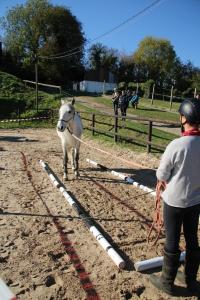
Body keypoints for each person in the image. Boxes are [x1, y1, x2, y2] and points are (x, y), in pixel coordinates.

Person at [150, 98, 200, 296]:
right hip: (195, 201)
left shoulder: (176, 145)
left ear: (183, 118)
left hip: (174, 201)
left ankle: (167, 283)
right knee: (192, 240)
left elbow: (161, 175)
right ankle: (191, 281)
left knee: (172, 241)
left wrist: (166, 178)